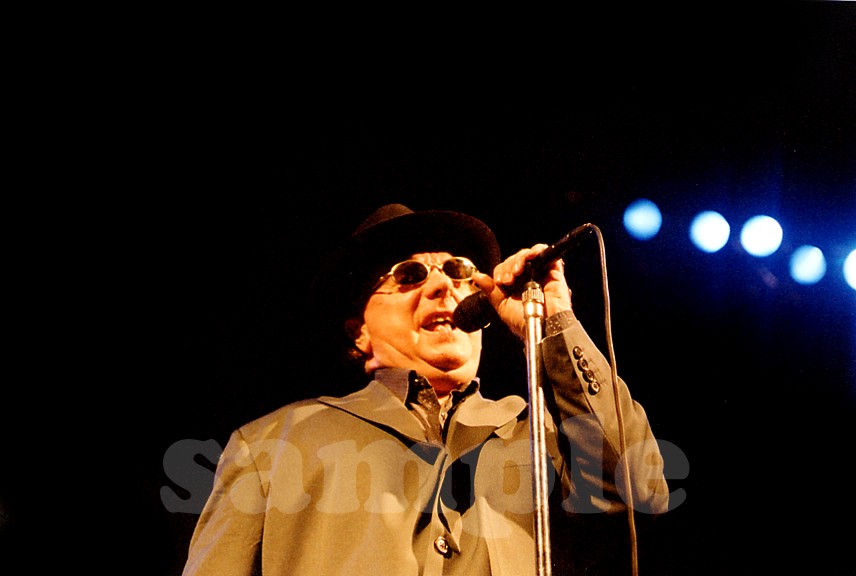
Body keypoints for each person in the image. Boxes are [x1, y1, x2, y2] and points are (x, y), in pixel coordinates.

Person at [181, 203, 670, 575]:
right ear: (358, 331)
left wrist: (554, 324)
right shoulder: (272, 443)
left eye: (459, 272)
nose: (443, 288)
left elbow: (642, 490)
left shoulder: (542, 433)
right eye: (410, 276)